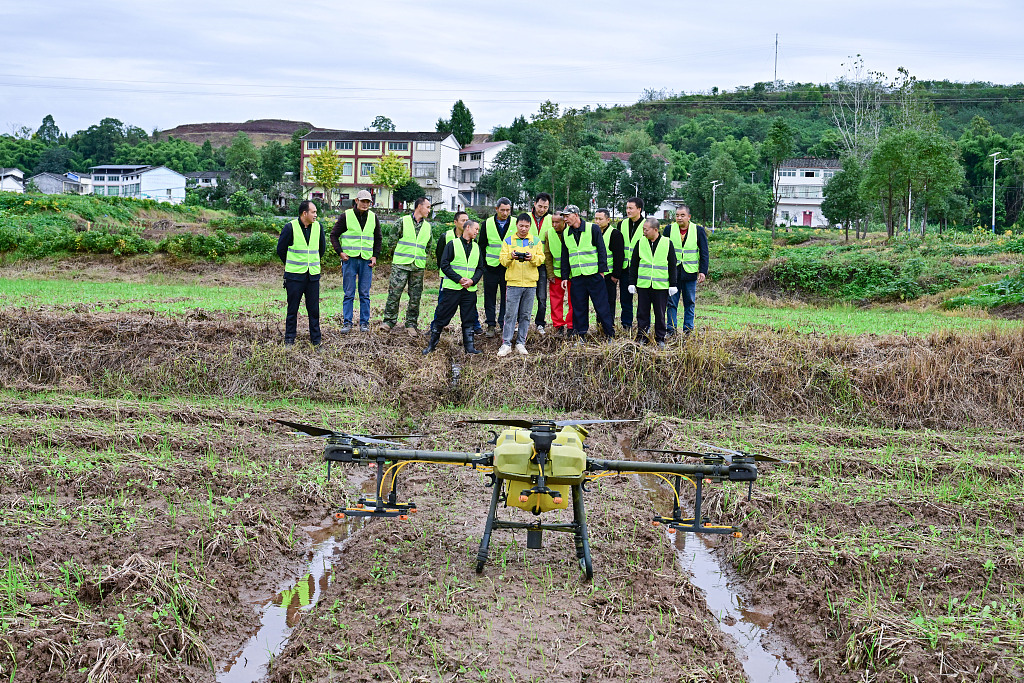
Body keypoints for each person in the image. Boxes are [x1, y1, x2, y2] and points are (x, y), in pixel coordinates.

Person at [423, 219, 484, 356]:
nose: (477, 232)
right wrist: (459, 279)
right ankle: (431, 346)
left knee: (468, 319)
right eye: (476, 229)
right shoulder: (452, 244)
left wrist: (473, 281)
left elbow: (480, 268)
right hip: (452, 289)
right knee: (442, 316)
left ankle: (470, 349)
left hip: (469, 290)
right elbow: (444, 265)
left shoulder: (477, 247)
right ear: (467, 227)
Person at [559, 205, 615, 340]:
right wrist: (565, 277)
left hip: (594, 275)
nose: (565, 219)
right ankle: (581, 336)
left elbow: (602, 250)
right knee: (579, 308)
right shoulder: (566, 233)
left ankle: (609, 335)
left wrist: (602, 271)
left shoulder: (592, 228)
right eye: (564, 216)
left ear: (576, 215)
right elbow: (565, 256)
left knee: (602, 307)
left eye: (567, 216)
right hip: (577, 277)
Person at [330, 189, 381, 332]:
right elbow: (334, 235)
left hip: (366, 261)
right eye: (363, 201)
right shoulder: (346, 216)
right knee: (349, 293)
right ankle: (347, 323)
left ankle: (364, 323)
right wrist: (340, 252)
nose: (365, 204)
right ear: (356, 201)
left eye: (368, 202)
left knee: (365, 294)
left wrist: (375, 255)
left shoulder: (373, 217)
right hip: (350, 260)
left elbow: (378, 238)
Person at [277, 200, 325, 346]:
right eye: (313, 212)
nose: (316, 215)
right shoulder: (290, 227)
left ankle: (316, 341)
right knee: (292, 310)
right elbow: (281, 250)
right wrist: (291, 264)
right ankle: (289, 340)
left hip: (312, 276)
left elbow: (321, 249)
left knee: (314, 311)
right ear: (305, 213)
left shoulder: (318, 227)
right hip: (294, 276)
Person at [382, 197, 432, 336]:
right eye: (427, 207)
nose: (429, 210)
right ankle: (388, 322)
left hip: (418, 267)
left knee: (415, 297)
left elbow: (428, 246)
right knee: (394, 294)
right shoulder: (402, 222)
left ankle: (411, 324)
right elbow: (391, 242)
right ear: (419, 207)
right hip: (401, 265)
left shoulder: (428, 227)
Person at [498, 213, 545, 356]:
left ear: (530, 226)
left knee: (525, 315)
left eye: (526, 226)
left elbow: (541, 259)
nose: (524, 229)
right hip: (513, 283)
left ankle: (520, 343)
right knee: (510, 315)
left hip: (530, 284)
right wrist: (510, 256)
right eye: (521, 226)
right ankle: (506, 344)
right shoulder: (508, 240)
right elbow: (502, 260)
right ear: (516, 225)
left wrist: (533, 258)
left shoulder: (535, 241)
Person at [629, 217, 678, 348]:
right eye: (643, 229)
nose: (644, 232)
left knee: (660, 313)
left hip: (660, 286)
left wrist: (673, 284)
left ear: (655, 230)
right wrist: (631, 282)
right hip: (644, 285)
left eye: (646, 229)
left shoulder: (667, 243)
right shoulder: (640, 242)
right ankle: (642, 337)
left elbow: (673, 265)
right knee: (642, 313)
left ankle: (660, 338)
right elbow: (634, 264)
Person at [664, 205, 709, 335]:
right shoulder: (669, 229)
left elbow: (704, 252)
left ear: (689, 217)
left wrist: (702, 271)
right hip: (673, 273)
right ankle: (671, 329)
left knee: (690, 302)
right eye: (677, 215)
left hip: (690, 272)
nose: (679, 218)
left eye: (682, 215)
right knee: (671, 302)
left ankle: (688, 329)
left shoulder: (698, 230)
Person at [478, 198, 515, 337]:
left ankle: (503, 323)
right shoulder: (487, 224)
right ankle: (491, 325)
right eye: (502, 210)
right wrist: (483, 266)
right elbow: (481, 246)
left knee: (507, 297)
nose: (505, 213)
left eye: (507, 210)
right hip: (491, 268)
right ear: (496, 209)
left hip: (508, 267)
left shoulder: (515, 223)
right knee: (490, 297)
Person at [616, 197, 646, 330]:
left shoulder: (647, 224)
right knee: (625, 299)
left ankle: (643, 326)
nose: (628, 210)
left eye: (631, 208)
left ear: (639, 209)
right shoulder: (621, 224)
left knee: (643, 300)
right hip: (624, 268)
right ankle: (626, 325)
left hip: (641, 268)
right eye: (627, 208)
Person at [595, 208, 626, 328]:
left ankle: (609, 325)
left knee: (609, 301)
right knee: (598, 301)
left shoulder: (615, 234)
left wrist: (615, 275)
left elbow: (619, 255)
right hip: (596, 273)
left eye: (600, 219)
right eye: (596, 218)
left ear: (608, 220)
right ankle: (599, 324)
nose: (597, 221)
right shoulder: (593, 232)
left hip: (609, 275)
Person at [543, 212, 573, 335]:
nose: (554, 225)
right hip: (556, 274)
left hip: (572, 274)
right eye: (552, 222)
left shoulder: (572, 232)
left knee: (574, 301)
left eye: (557, 222)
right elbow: (548, 255)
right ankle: (558, 326)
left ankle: (571, 326)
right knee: (555, 302)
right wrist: (550, 274)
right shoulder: (548, 234)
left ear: (564, 222)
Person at [530, 193, 553, 335]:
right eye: (540, 206)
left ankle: (540, 323)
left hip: (543, 263)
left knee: (542, 296)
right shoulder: (526, 218)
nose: (542, 209)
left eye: (545, 207)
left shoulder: (551, 219)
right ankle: (521, 322)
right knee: (524, 295)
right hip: (526, 263)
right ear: (534, 204)